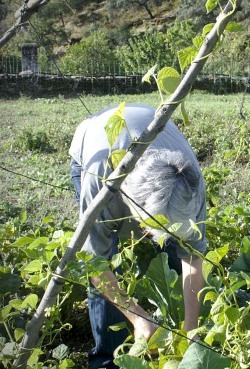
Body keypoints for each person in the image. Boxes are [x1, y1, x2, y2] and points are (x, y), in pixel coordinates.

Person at [69, 103, 207, 368]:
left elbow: (193, 257)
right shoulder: (101, 184)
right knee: (105, 261)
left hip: (152, 141)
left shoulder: (190, 183)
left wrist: (192, 337)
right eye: (149, 227)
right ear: (131, 207)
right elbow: (93, 261)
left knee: (174, 252)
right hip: (90, 146)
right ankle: (107, 360)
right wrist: (137, 317)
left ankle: (174, 325)